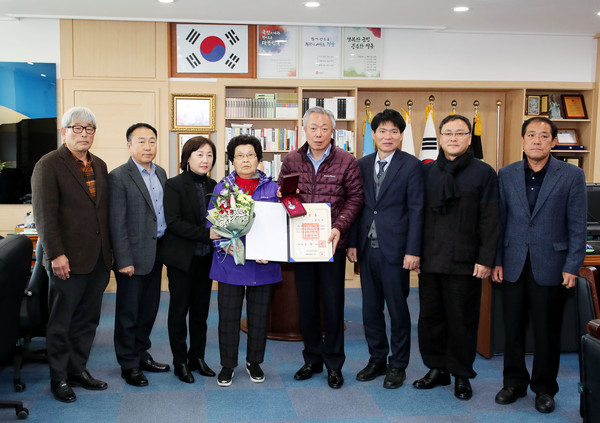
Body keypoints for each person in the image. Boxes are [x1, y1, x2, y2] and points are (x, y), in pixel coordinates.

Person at [492, 117, 586, 414]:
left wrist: (572, 264)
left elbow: (577, 224)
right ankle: (514, 382)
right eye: (531, 135)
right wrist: (496, 260)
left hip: (553, 265)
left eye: (543, 136)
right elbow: (499, 222)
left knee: (547, 331)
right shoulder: (505, 174)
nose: (536, 140)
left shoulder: (571, 175)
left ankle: (545, 388)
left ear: (553, 142)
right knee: (513, 328)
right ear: (522, 140)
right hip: (512, 263)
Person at [413, 114, 499, 400]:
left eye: (460, 133)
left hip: (466, 261)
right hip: (431, 259)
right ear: (439, 137)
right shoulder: (426, 171)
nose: (453, 138)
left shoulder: (483, 173)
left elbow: (490, 218)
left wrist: (486, 258)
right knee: (431, 318)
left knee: (462, 319)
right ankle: (437, 368)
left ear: (469, 137)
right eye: (448, 133)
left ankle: (462, 374)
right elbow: (417, 216)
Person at [31, 106, 112, 403]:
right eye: (77, 128)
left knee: (88, 320)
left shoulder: (100, 165)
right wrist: (55, 254)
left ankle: (78, 370)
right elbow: (44, 215)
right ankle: (59, 378)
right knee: (62, 321)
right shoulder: (48, 164)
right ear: (64, 132)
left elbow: (101, 212)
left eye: (89, 129)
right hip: (66, 259)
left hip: (99, 259)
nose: (84, 134)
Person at [279, 106, 363, 389]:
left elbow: (355, 198)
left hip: (332, 245)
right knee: (307, 304)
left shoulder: (346, 161)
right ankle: (312, 358)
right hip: (302, 244)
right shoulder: (291, 159)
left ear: (333, 132)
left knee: (333, 304)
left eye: (324, 128)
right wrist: (285, 198)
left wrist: (339, 226)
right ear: (303, 130)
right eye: (313, 128)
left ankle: (334, 363)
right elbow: (284, 193)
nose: (318, 133)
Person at [347, 108, 424, 389]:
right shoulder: (362, 164)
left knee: (397, 309)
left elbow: (417, 211)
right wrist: (353, 243)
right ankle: (377, 358)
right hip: (367, 249)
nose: (387, 136)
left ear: (401, 135)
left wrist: (413, 251)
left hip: (397, 250)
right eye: (382, 131)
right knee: (370, 309)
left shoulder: (412, 165)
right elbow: (357, 206)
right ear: (373, 134)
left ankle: (398, 364)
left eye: (394, 131)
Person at [208, 135, 282, 387]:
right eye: (240, 155)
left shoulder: (274, 188)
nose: (246, 160)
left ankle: (255, 362)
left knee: (259, 317)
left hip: (264, 264)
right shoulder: (222, 188)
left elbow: (282, 225)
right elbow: (213, 226)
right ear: (232, 160)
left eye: (250, 154)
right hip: (231, 263)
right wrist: (226, 247)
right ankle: (227, 365)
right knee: (228, 317)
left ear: (259, 159)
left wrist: (272, 250)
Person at [108, 123, 170, 387]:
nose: (148, 146)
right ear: (129, 145)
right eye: (142, 141)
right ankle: (128, 364)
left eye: (152, 141)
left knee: (149, 310)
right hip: (131, 258)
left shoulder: (162, 173)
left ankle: (142, 353)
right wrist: (123, 260)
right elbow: (116, 222)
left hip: (156, 253)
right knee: (128, 313)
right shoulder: (119, 176)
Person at [159, 136, 218, 383]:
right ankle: (180, 362)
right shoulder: (173, 184)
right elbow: (173, 221)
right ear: (188, 158)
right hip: (182, 260)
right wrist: (206, 234)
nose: (205, 160)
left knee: (201, 313)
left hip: (206, 259)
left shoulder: (215, 185)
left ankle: (197, 357)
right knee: (179, 311)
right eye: (199, 154)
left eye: (209, 155)